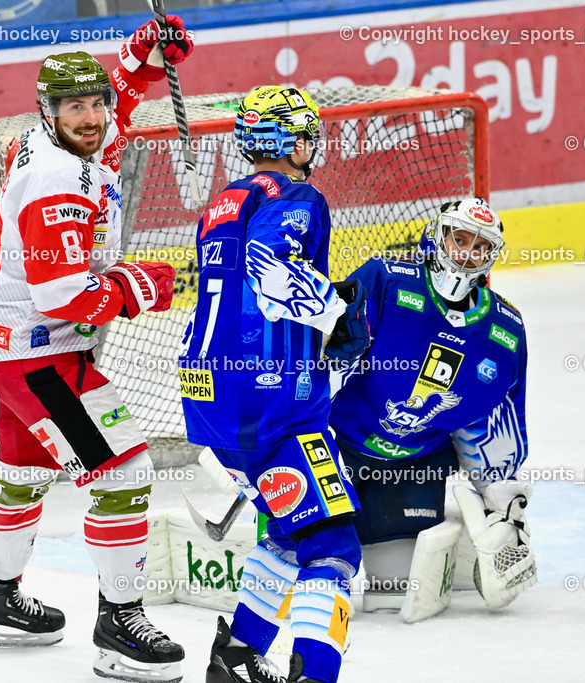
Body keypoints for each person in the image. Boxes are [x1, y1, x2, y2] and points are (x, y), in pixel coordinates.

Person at [0, 17, 193, 683]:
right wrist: (133, 286)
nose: (91, 118)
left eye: (95, 104)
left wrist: (142, 55)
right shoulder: (56, 183)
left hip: (7, 346)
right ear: (48, 112)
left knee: (24, 470)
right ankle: (120, 625)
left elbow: (114, 101)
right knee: (123, 470)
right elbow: (67, 296)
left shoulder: (66, 140)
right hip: (40, 355)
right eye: (75, 107)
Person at [179, 86, 372, 683]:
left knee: (289, 533)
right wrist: (335, 314)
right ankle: (315, 676)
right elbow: (270, 260)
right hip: (272, 402)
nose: (313, 145)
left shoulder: (223, 203)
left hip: (209, 399)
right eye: (306, 133)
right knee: (334, 548)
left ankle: (235, 657)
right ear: (286, 140)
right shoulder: (297, 195)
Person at [328, 197, 535, 613]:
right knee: (307, 566)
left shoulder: (505, 333)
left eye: (480, 247)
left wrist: (504, 511)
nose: (468, 253)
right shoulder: (387, 281)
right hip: (338, 445)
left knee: (392, 593)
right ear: (437, 237)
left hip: (416, 463)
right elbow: (321, 359)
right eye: (460, 239)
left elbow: (491, 427)